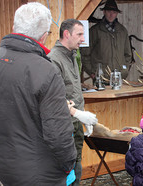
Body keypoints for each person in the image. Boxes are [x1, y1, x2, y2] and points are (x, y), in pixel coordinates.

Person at [0, 2, 77, 185]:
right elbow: (58, 134)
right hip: (37, 174)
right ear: (44, 36)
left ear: (14, 28)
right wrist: (69, 163)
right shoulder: (46, 71)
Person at [48, 19, 97, 186]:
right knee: (68, 171)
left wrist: (81, 117)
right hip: (63, 127)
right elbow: (53, 98)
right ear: (66, 34)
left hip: (75, 124)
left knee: (76, 163)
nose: (83, 39)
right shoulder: (53, 59)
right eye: (80, 34)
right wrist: (78, 114)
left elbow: (73, 90)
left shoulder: (73, 55)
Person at [80, 0, 132, 81]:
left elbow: (128, 54)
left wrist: (124, 70)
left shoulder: (122, 31)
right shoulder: (95, 31)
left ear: (117, 13)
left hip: (119, 77)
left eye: (114, 12)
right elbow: (85, 54)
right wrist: (92, 72)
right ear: (104, 12)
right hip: (101, 77)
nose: (111, 14)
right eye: (109, 11)